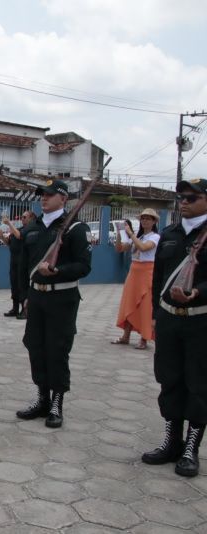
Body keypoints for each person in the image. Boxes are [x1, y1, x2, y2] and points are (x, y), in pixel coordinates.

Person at [142, 179, 207, 477]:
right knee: (169, 379)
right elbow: (159, 279)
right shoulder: (169, 233)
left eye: (192, 198)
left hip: (200, 319)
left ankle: (191, 449)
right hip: (169, 318)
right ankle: (171, 441)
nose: (184, 202)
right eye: (181, 197)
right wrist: (155, 315)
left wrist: (197, 293)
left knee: (198, 384)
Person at [16, 179, 91, 428]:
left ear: (63, 198)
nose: (43, 198)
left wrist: (57, 271)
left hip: (62, 297)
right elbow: (25, 264)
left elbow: (83, 266)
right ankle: (42, 399)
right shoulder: (33, 227)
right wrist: (26, 296)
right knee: (35, 347)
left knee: (57, 350)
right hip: (36, 295)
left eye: (49, 194)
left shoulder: (75, 228)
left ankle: (57, 403)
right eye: (41, 195)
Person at [112, 209, 160, 350]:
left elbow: (144, 248)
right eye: (143, 218)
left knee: (145, 306)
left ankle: (144, 338)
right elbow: (120, 249)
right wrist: (120, 233)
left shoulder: (155, 237)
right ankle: (126, 336)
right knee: (129, 304)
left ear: (154, 222)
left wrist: (131, 234)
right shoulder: (138, 237)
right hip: (134, 272)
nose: (145, 221)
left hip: (147, 273)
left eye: (148, 219)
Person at [0, 211, 36, 319]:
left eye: (24, 217)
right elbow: (9, 243)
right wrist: (2, 237)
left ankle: (25, 310)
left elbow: (20, 237)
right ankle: (15, 309)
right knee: (14, 286)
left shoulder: (30, 230)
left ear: (31, 218)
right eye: (22, 217)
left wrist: (9, 224)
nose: (22, 219)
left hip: (23, 263)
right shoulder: (18, 229)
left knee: (22, 287)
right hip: (14, 262)